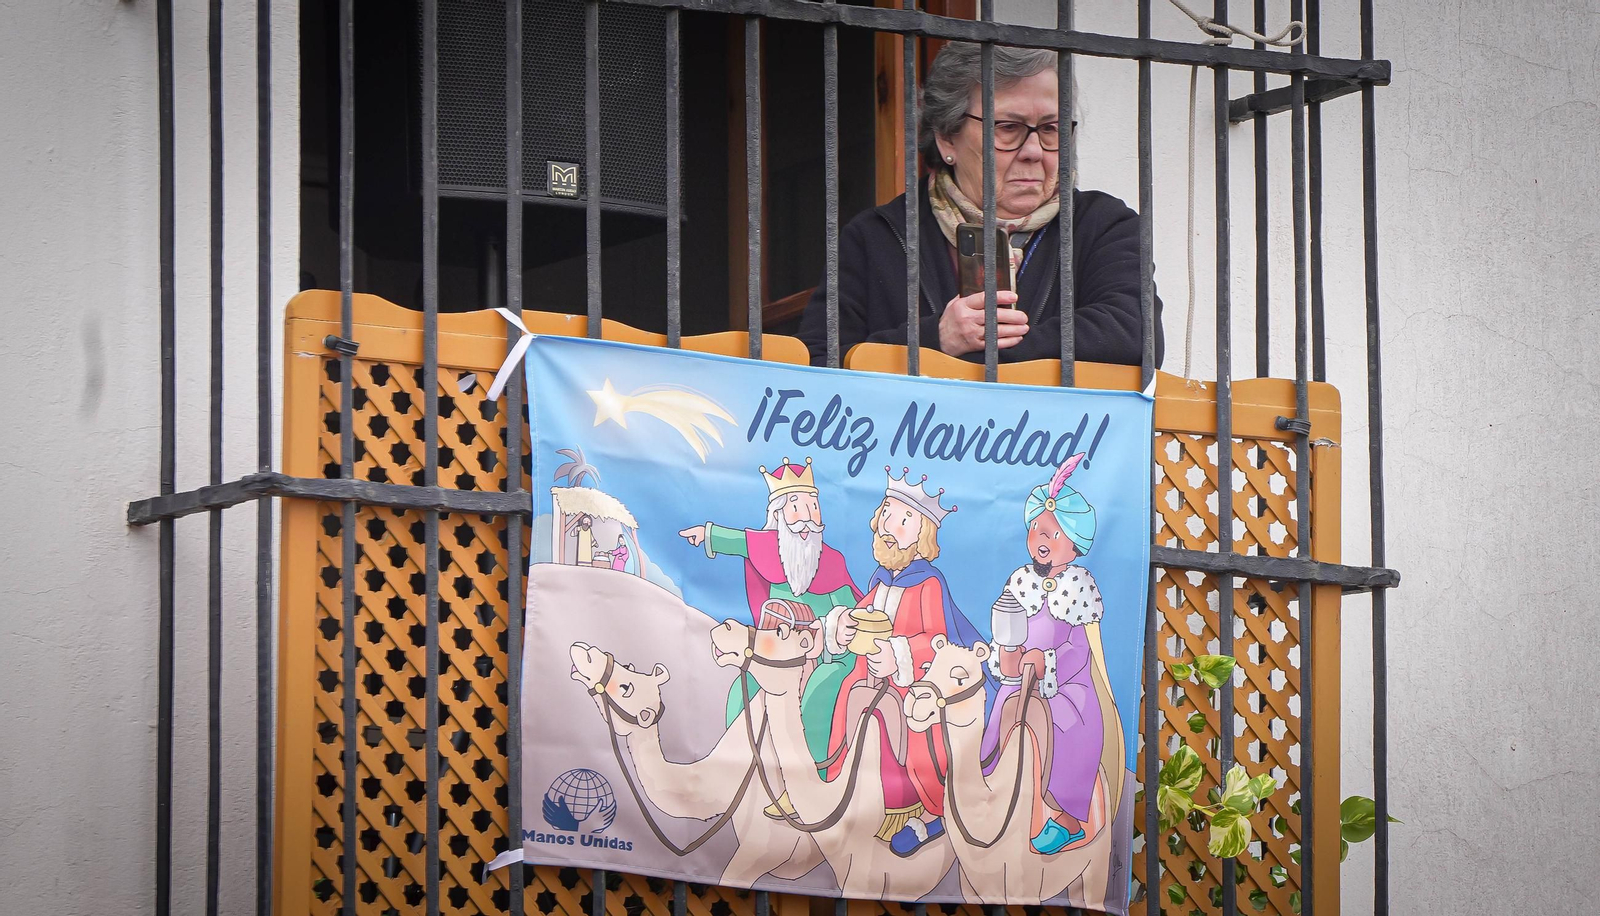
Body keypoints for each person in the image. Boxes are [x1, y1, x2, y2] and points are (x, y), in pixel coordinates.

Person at [796, 42, 1163, 369]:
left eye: (1050, 129)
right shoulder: (875, 237)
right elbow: (819, 361)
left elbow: (1135, 337)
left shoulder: (1103, 225)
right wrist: (937, 337)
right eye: (1007, 127)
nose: (1034, 151)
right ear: (946, 138)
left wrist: (972, 353)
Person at [818, 468, 988, 856]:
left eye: (905, 518)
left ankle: (929, 813)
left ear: (922, 535)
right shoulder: (880, 580)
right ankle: (840, 789)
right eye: (888, 514)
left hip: (915, 684)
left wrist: (896, 655)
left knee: (912, 725)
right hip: (870, 678)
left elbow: (937, 641)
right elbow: (864, 614)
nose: (891, 526)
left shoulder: (928, 583)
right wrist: (843, 625)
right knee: (847, 694)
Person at [678, 458, 861, 814]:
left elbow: (849, 611)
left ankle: (806, 786)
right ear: (779, 514)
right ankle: (741, 776)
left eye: (811, 506)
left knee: (817, 691)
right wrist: (708, 534)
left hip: (826, 655)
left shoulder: (832, 561)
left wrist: (834, 628)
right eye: (796, 506)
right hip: (778, 652)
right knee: (742, 689)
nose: (806, 517)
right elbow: (743, 542)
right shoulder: (771, 550)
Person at [981, 453, 1109, 855]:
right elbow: (1006, 626)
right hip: (1022, 678)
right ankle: (993, 795)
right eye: (1037, 529)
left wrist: (1045, 661)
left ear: (1074, 545)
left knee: (1069, 727)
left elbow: (1078, 649)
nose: (1040, 539)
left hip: (1067, 687)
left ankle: (1068, 819)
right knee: (1001, 712)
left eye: (1052, 534)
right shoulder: (1019, 581)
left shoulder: (1080, 585)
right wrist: (1005, 656)